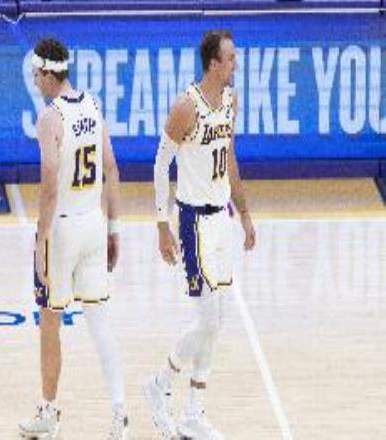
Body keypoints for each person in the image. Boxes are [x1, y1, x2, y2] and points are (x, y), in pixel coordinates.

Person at [144, 30, 256, 440]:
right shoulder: (186, 107)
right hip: (193, 223)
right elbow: (160, 165)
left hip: (222, 218)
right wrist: (162, 225)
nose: (235, 64)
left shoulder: (230, 100)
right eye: (230, 58)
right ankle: (160, 383)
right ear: (213, 63)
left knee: (217, 320)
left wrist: (244, 214)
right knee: (208, 319)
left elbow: (230, 158)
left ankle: (193, 411)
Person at [19, 38, 128, 440]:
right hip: (94, 223)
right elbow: (112, 169)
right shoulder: (93, 105)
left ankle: (49, 412)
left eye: (36, 74)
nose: (35, 81)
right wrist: (114, 228)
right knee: (100, 323)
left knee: (50, 322)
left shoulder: (51, 118)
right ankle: (119, 414)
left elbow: (49, 185)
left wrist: (42, 239)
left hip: (63, 227)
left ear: (49, 74)